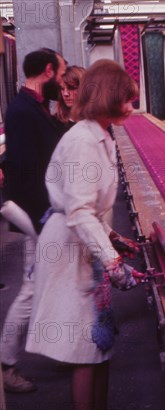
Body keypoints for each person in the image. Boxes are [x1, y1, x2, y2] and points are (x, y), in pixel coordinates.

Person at [25, 59, 142, 410]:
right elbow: (77, 212)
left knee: (99, 346)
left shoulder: (101, 135)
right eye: (127, 100)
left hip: (82, 241)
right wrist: (112, 260)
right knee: (84, 347)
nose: (132, 108)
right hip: (68, 249)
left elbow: (88, 206)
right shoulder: (82, 142)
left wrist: (114, 237)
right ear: (108, 98)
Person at [1, 48, 67, 393]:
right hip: (36, 217)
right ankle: (6, 365)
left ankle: (58, 349)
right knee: (29, 291)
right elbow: (26, 174)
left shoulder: (32, 107)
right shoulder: (24, 111)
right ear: (47, 71)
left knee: (47, 285)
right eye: (61, 74)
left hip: (42, 215)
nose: (63, 82)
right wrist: (45, 223)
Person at [53, 65, 86, 134]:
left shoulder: (99, 120)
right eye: (62, 89)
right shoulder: (55, 123)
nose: (65, 94)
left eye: (71, 88)